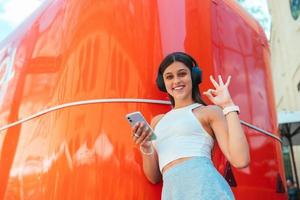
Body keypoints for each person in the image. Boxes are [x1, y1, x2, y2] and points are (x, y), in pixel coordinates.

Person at [131, 52, 250, 200]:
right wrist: (146, 146)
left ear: (193, 77)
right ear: (163, 83)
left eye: (182, 74)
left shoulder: (208, 112)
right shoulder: (157, 121)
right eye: (169, 77)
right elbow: (154, 177)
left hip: (207, 191)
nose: (176, 81)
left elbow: (241, 160)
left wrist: (228, 106)